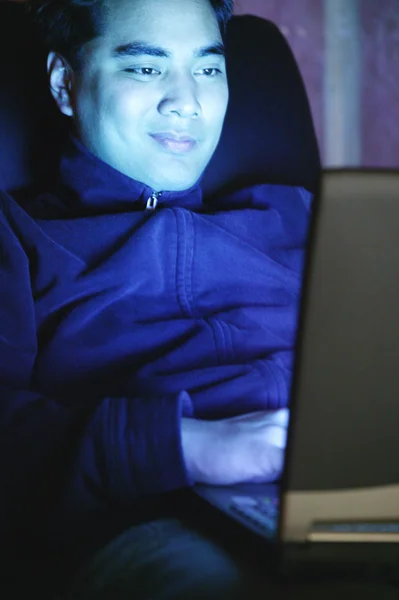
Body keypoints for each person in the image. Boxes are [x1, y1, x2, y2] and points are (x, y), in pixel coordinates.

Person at [0, 0, 312, 597]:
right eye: (146, 69)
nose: (187, 101)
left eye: (208, 69)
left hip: (350, 491)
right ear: (67, 83)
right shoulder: (20, 241)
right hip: (163, 521)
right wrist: (187, 448)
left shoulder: (299, 214)